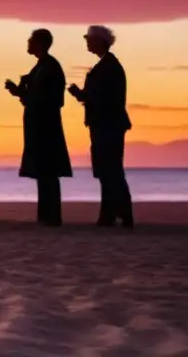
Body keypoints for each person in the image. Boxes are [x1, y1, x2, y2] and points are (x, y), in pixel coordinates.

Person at [5, 28, 72, 227]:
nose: (28, 42)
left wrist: (22, 92)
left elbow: (48, 99)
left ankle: (51, 215)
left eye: (31, 40)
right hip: (39, 124)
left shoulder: (49, 67)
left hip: (46, 125)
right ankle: (46, 214)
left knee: (48, 170)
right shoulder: (43, 66)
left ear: (40, 43)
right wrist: (20, 91)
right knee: (44, 171)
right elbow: (34, 97)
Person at [68, 25, 134, 228]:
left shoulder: (108, 67)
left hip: (107, 125)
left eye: (89, 39)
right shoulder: (108, 65)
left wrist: (81, 95)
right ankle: (118, 213)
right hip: (106, 124)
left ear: (99, 41)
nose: (87, 42)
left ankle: (114, 213)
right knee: (109, 169)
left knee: (109, 169)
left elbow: (104, 98)